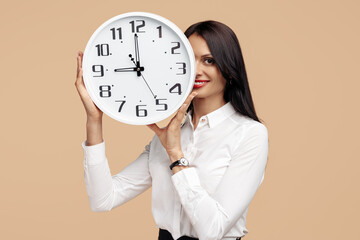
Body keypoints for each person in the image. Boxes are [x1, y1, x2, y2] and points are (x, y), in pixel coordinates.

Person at [75, 20, 268, 240]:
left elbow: (213, 230)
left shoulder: (249, 134)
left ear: (229, 70)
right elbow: (102, 199)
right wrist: (94, 119)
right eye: (188, 59)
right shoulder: (168, 136)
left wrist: (176, 155)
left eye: (209, 60)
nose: (196, 70)